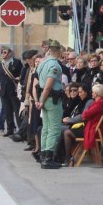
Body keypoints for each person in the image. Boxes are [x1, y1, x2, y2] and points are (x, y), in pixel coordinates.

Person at [36, 41, 67, 169]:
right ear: (59, 51)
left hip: (44, 98)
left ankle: (43, 155)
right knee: (54, 129)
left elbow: (39, 82)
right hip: (52, 99)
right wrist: (42, 100)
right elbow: (48, 85)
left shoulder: (42, 63)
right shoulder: (55, 65)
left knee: (46, 128)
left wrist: (40, 100)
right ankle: (48, 159)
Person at [0, 46, 24, 137]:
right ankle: (10, 129)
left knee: (17, 111)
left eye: (4, 52)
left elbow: (22, 74)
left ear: (9, 53)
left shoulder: (17, 62)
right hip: (4, 91)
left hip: (14, 90)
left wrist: (18, 79)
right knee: (8, 111)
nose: (3, 54)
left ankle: (20, 130)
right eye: (2, 52)